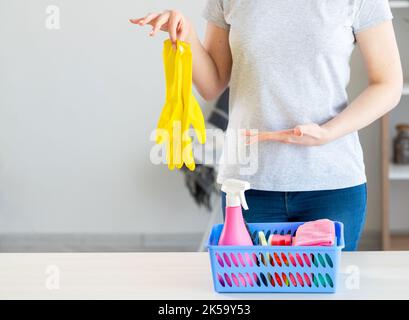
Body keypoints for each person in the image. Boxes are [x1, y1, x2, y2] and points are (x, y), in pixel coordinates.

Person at [130, 0, 403, 250]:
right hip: (248, 187)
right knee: (253, 292)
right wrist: (186, 33)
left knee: (322, 290)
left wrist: (326, 133)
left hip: (331, 186)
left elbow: (388, 84)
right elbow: (212, 84)